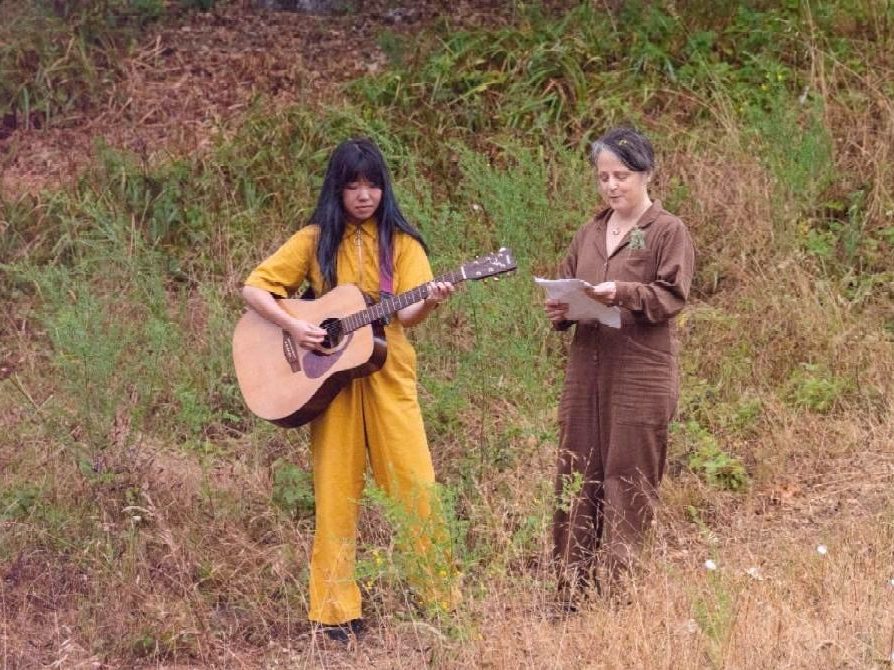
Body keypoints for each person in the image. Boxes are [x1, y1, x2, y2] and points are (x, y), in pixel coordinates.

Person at [241, 137, 456, 640]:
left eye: (372, 184)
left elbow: (406, 312)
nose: (364, 195)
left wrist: (430, 301)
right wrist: (295, 327)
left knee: (416, 485)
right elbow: (254, 288)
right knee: (336, 491)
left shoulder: (402, 244)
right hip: (328, 381)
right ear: (336, 188)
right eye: (353, 185)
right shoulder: (315, 239)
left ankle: (442, 600)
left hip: (388, 375)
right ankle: (335, 611)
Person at [544, 126, 695, 602]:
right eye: (603, 176)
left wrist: (623, 293)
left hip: (641, 371)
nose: (612, 186)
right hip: (586, 368)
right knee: (577, 470)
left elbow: (672, 296)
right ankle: (571, 589)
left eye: (622, 175)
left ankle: (618, 595)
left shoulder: (667, 231)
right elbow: (568, 282)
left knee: (627, 478)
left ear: (646, 174)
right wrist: (560, 308)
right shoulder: (589, 231)